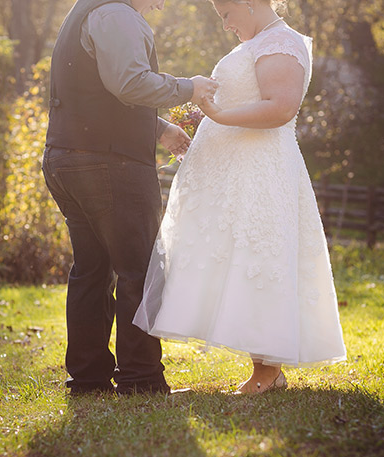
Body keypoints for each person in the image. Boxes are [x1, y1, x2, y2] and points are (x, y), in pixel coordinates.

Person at [134, 0, 347, 393]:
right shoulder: (259, 42)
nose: (226, 25)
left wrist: (217, 116)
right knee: (231, 256)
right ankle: (263, 370)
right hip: (234, 170)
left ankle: (268, 371)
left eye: (227, 15)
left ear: (250, 3)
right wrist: (196, 121)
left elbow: (280, 109)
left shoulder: (281, 42)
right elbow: (242, 100)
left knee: (259, 253)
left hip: (259, 169)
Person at [43, 0, 218, 395]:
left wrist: (159, 128)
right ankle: (141, 379)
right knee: (138, 270)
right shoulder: (117, 15)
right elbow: (129, 82)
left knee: (92, 270)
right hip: (109, 165)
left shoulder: (88, 11)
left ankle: (88, 380)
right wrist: (190, 87)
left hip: (68, 159)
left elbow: (96, 91)